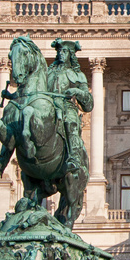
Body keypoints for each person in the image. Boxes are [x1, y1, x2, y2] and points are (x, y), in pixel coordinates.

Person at [46, 39, 93, 175]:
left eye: (65, 51)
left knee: (70, 122)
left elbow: (89, 104)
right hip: (48, 106)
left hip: (67, 107)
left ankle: (74, 158)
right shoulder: (47, 73)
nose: (61, 54)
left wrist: (77, 92)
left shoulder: (78, 76)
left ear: (71, 54)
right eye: (59, 51)